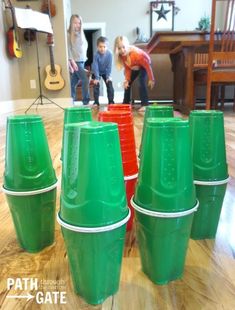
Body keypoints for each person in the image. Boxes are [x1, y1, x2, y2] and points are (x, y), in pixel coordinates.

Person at [114, 36, 155, 111]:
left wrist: (151, 78)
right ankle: (126, 104)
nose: (122, 50)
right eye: (119, 48)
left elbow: (146, 65)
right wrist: (127, 79)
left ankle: (145, 104)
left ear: (127, 45)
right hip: (134, 66)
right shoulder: (122, 56)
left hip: (145, 65)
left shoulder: (136, 54)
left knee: (141, 81)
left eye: (123, 47)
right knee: (127, 83)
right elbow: (127, 68)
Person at [67, 14, 90, 105]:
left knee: (73, 82)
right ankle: (85, 101)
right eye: (75, 23)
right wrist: (72, 61)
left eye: (79, 23)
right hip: (76, 61)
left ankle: (71, 100)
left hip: (82, 60)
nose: (77, 25)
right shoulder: (69, 34)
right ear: (71, 23)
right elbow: (68, 49)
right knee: (85, 80)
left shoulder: (81, 34)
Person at [91, 36, 114, 106]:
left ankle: (111, 101)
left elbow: (109, 66)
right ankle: (96, 102)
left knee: (109, 84)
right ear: (97, 47)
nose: (102, 48)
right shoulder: (96, 55)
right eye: (100, 47)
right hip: (97, 71)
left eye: (104, 46)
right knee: (96, 84)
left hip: (106, 71)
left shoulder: (110, 54)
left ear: (107, 47)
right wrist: (97, 78)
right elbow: (95, 66)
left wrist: (108, 76)